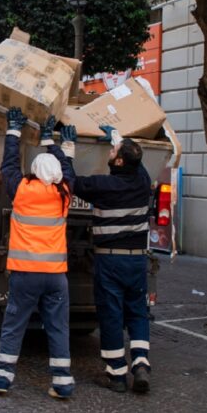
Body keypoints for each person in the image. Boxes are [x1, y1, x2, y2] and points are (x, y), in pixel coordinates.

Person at [0, 108, 77, 400]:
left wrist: (14, 130)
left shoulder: (23, 190)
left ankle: (2, 378)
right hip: (56, 278)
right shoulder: (64, 193)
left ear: (35, 172)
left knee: (14, 325)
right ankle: (62, 382)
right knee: (58, 328)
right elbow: (68, 169)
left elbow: (8, 166)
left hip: (25, 275)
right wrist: (55, 142)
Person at [73, 126, 153, 394]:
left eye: (113, 150)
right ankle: (140, 362)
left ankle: (116, 374)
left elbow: (70, 181)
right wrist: (120, 139)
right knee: (138, 312)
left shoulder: (102, 185)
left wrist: (65, 148)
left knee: (111, 315)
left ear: (118, 161)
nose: (109, 150)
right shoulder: (142, 183)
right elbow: (139, 167)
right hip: (137, 261)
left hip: (110, 263)